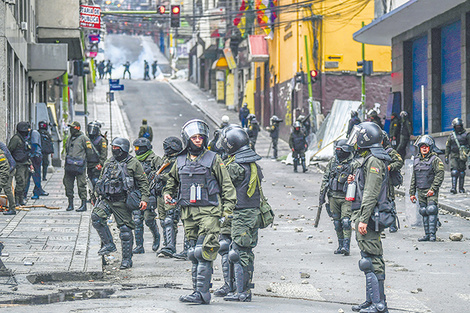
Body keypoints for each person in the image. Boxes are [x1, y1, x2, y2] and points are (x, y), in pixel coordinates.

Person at [163, 119, 236, 304]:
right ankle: (197, 292)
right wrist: (167, 195)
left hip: (209, 212)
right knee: (192, 254)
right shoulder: (179, 160)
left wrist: (227, 211)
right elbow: (171, 183)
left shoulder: (213, 158)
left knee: (204, 251)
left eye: (200, 137)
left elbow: (227, 186)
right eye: (194, 137)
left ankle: (203, 293)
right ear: (187, 139)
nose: (198, 140)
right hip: (188, 213)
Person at [347, 122, 392, 313]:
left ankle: (378, 304)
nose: (355, 140)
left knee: (371, 260)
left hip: (370, 216)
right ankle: (371, 300)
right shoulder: (368, 159)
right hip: (366, 214)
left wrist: (363, 219)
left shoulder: (374, 160)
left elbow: (371, 194)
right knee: (368, 257)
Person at [215, 125, 263, 302]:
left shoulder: (237, 166)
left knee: (239, 251)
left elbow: (219, 182)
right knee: (226, 246)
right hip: (236, 211)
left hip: (243, 213)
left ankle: (242, 291)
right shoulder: (246, 161)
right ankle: (231, 285)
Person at [93, 137, 150, 269]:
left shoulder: (133, 163)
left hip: (123, 201)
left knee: (125, 231)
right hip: (107, 199)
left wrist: (144, 199)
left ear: (123, 149)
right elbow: (101, 180)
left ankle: (126, 260)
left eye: (117, 148)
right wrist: (96, 195)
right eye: (113, 148)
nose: (114, 150)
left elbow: (143, 182)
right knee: (96, 217)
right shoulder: (109, 162)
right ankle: (109, 244)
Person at [319, 139, 354, 255]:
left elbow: (359, 181)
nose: (338, 152)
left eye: (340, 150)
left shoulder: (353, 164)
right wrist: (322, 194)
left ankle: (346, 246)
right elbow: (325, 177)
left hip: (346, 197)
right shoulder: (333, 162)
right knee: (337, 222)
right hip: (333, 196)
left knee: (345, 221)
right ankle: (340, 245)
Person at [410, 135, 444, 242]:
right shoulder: (416, 160)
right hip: (420, 190)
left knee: (431, 210)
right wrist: (412, 193)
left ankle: (433, 235)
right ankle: (427, 235)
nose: (424, 148)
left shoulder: (435, 159)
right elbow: (414, 178)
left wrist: (433, 189)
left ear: (430, 147)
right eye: (422, 146)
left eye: (426, 146)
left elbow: (440, 175)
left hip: (430, 190)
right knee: (423, 211)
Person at [155, 137, 184, 258]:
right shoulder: (166, 159)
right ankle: (167, 245)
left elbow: (177, 177)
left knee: (171, 219)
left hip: (174, 193)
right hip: (162, 192)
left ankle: (174, 247)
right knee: (164, 220)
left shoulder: (180, 159)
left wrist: (163, 177)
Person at [132, 137, 161, 254]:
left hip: (150, 193)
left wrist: (154, 175)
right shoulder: (134, 160)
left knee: (149, 219)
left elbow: (163, 174)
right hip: (137, 193)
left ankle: (156, 235)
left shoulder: (155, 159)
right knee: (137, 220)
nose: (136, 150)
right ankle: (139, 246)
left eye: (138, 148)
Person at [63, 121, 93, 212]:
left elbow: (89, 151)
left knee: (81, 185)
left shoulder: (84, 138)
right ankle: (70, 203)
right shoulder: (69, 138)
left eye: (73, 127)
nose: (71, 129)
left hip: (80, 166)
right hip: (69, 165)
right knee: (68, 184)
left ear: (78, 128)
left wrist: (85, 161)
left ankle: (83, 204)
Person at [382, 131, 404, 233]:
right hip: (376, 180)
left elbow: (399, 161)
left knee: (389, 201)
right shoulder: (373, 151)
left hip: (387, 181)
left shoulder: (390, 151)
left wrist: (390, 167)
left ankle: (392, 224)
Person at [8, 122, 33, 206]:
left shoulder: (24, 139)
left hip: (25, 163)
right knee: (20, 182)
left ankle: (21, 199)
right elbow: (9, 150)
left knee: (25, 182)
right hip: (19, 164)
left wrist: (30, 163)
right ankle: (17, 200)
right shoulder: (16, 139)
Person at [445, 118, 470, 194]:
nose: (458, 127)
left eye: (459, 125)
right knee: (454, 172)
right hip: (454, 155)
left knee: (462, 172)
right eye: (457, 126)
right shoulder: (451, 135)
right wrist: (446, 156)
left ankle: (461, 188)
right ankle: (453, 188)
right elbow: (448, 146)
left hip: (463, 156)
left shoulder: (466, 135)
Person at [24, 128, 48, 200]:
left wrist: (29, 153)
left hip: (35, 157)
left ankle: (37, 192)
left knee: (35, 175)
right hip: (32, 156)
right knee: (28, 176)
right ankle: (25, 193)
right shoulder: (30, 133)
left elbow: (34, 145)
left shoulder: (34, 133)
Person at [86, 121, 108, 189]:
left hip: (97, 165)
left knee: (96, 181)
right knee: (89, 181)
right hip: (89, 164)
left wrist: (101, 164)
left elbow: (104, 154)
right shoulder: (87, 139)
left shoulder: (101, 140)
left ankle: (97, 196)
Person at [0, 142, 16, 215]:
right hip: (6, 168)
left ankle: (12, 209)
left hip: (9, 169)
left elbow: (4, 169)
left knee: (7, 188)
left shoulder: (1, 154)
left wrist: (1, 182)